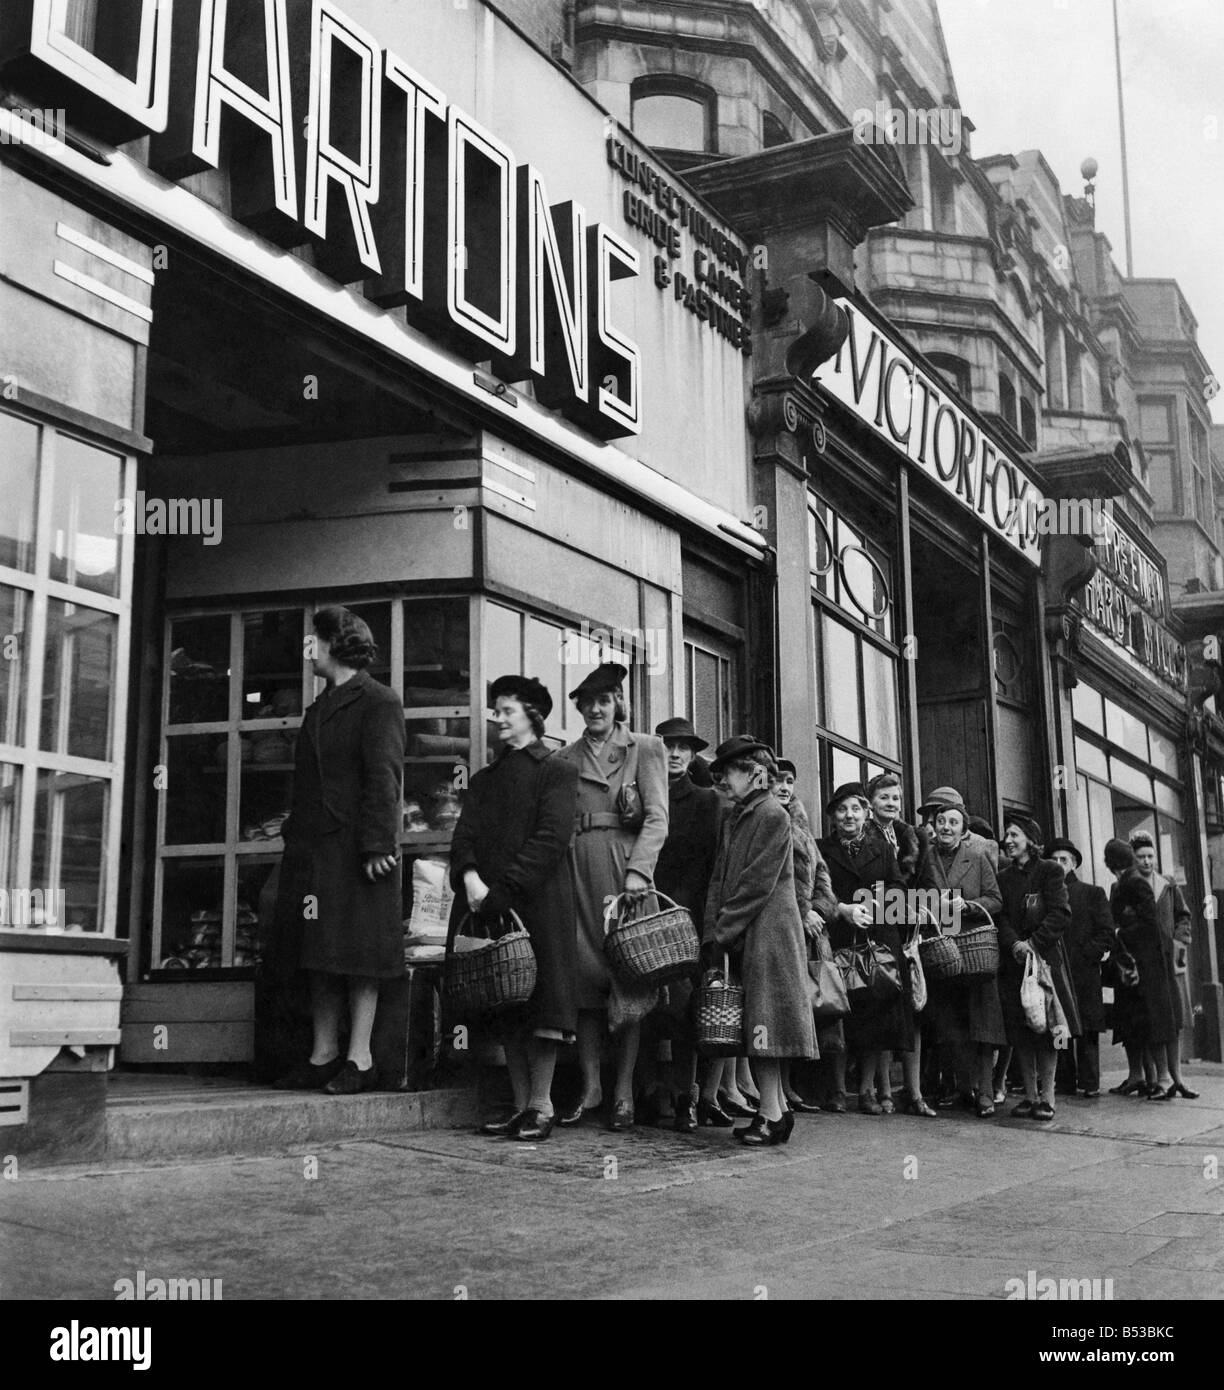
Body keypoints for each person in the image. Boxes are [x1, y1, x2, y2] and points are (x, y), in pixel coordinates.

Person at [273, 606, 405, 1095]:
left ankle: (361, 1057)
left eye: (315, 640)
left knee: (359, 954)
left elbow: (383, 776)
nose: (309, 649)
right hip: (315, 851)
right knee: (318, 953)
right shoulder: (317, 711)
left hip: (359, 851)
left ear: (334, 643)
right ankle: (322, 1053)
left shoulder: (378, 702)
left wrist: (376, 844)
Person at [447, 675, 578, 1142]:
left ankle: (541, 1105)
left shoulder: (556, 771)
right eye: (496, 710)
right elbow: (464, 836)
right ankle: (521, 1105)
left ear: (532, 715)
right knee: (505, 1002)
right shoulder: (484, 779)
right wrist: (469, 878)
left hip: (538, 903)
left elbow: (551, 839)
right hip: (487, 904)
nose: (498, 718)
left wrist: (501, 891)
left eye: (507, 710)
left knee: (541, 1004)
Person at [555, 663, 668, 1131]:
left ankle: (624, 1092)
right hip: (576, 871)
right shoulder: (563, 758)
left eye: (605, 700)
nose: (597, 709)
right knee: (583, 978)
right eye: (588, 702)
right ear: (579, 708)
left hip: (625, 876)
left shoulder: (645, 748)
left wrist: (640, 873)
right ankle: (592, 1085)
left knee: (629, 980)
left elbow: (658, 817)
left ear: (618, 702)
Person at [702, 737, 817, 1146]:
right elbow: (722, 877)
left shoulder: (771, 815)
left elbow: (756, 883)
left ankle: (771, 1113)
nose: (723, 779)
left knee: (764, 1022)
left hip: (768, 933)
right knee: (757, 1022)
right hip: (749, 931)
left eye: (731, 771)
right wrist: (714, 928)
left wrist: (722, 929)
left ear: (756, 774)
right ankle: (776, 1112)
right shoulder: (739, 816)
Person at [643, 716, 723, 1131]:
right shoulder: (643, 794)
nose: (674, 754)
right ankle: (646, 1094)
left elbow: (711, 865)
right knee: (642, 1005)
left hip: (686, 917)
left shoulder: (706, 801)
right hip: (643, 913)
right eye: (667, 746)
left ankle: (685, 1098)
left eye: (683, 748)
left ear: (693, 756)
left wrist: (696, 917)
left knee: (687, 1009)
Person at [820, 783, 913, 1116]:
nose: (849, 816)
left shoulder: (882, 849)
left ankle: (867, 1091)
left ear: (866, 814)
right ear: (832, 815)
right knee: (837, 1012)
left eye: (856, 809)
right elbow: (815, 888)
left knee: (875, 1016)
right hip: (838, 937)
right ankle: (837, 1091)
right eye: (842, 810)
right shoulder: (822, 849)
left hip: (877, 942)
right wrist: (842, 908)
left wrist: (873, 905)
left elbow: (899, 887)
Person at [917, 789, 1004, 1116]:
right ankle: (963, 1086)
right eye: (941, 821)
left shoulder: (978, 857)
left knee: (982, 1024)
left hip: (975, 948)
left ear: (963, 828)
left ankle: (984, 1091)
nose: (946, 827)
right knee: (949, 1023)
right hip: (941, 950)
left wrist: (968, 905)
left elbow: (996, 899)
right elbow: (916, 897)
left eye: (953, 822)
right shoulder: (927, 858)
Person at [996, 814, 1079, 1121]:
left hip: (1045, 962)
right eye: (1006, 835)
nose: (1008, 840)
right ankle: (1029, 1097)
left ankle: (1048, 1097)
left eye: (1014, 834)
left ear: (1030, 839)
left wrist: (1034, 943)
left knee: (1048, 1030)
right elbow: (1000, 916)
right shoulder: (1003, 876)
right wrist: (1015, 944)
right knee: (1021, 1031)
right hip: (1014, 962)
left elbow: (1060, 913)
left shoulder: (1050, 871)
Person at [867, 771, 927, 1115]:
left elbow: (928, 882)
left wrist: (923, 908)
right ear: (871, 802)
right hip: (878, 932)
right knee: (883, 1010)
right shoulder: (865, 834)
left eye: (895, 799)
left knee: (912, 1011)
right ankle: (884, 1090)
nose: (891, 804)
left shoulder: (911, 837)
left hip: (910, 935)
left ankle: (915, 1092)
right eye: (884, 798)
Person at [772, 759, 829, 1115]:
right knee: (774, 1007)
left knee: (796, 1007)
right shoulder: (767, 820)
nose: (784, 787)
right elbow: (777, 877)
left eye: (789, 780)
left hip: (806, 928)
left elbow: (820, 871)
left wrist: (820, 909)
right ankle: (771, 1089)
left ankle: (786, 1085)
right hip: (781, 924)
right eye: (777, 779)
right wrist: (801, 909)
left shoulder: (802, 825)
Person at [1104, 838, 1177, 1099]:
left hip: (1144, 966)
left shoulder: (1133, 882)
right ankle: (1142, 1078)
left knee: (1152, 1021)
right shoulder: (1126, 882)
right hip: (1134, 964)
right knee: (1134, 1021)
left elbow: (1149, 924)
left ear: (1110, 863)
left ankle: (1164, 1079)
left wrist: (1120, 930)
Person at [1130, 833, 1198, 1099]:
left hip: (1170, 963)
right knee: (1155, 1022)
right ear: (1133, 859)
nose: (1147, 861)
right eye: (1141, 857)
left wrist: (1180, 940)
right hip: (1145, 965)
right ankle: (1162, 1079)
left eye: (1150, 856)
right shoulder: (1129, 886)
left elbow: (1184, 916)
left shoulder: (1168, 885)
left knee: (1175, 1020)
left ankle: (1178, 1078)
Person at [1047, 837, 1114, 1099]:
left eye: (1063, 860)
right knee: (1059, 1026)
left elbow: (1107, 933)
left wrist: (1088, 955)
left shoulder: (1091, 893)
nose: (1058, 864)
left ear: (1074, 863)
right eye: (1053, 860)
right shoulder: (1044, 894)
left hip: (1084, 974)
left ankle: (1089, 1082)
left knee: (1087, 1029)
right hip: (1055, 971)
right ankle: (1063, 1080)